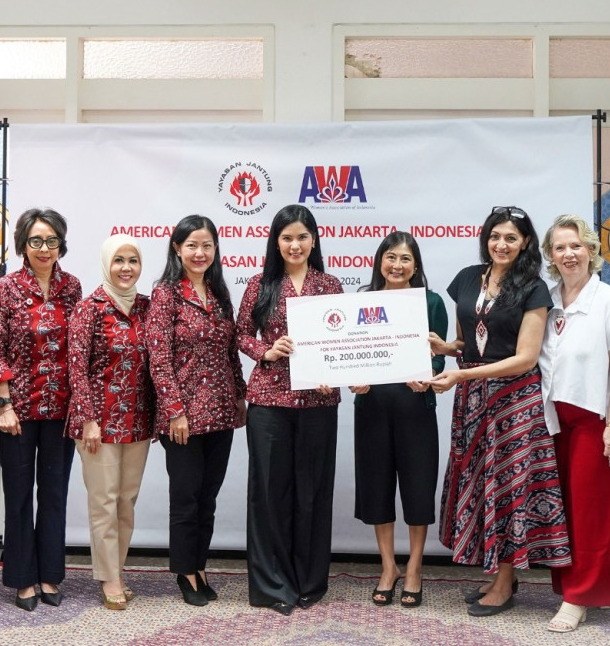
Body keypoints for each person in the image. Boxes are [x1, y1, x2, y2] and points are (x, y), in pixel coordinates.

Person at [429, 205, 570, 617]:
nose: (501, 244)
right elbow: (468, 341)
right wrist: (447, 349)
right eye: (495, 236)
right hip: (472, 400)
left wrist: (463, 376)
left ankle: (506, 581)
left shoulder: (533, 288)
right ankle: (496, 574)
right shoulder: (468, 279)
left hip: (515, 402)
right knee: (480, 480)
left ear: (525, 242)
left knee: (508, 488)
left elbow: (525, 358)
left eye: (511, 237)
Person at [538, 214, 610, 632]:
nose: (569, 254)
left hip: (596, 423)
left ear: (591, 250)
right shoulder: (548, 300)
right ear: (551, 256)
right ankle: (568, 587)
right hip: (556, 423)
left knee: (592, 514)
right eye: (560, 247)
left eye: (576, 246)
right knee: (564, 511)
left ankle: (579, 598)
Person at [236, 204, 342, 616]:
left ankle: (309, 582)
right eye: (286, 238)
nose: (294, 244)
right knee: (269, 494)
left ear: (313, 239)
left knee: (312, 492)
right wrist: (266, 350)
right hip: (269, 402)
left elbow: (342, 341)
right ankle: (270, 584)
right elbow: (241, 333)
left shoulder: (329, 284)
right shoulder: (261, 283)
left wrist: (333, 370)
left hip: (319, 401)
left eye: (301, 236)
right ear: (275, 242)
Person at [146, 215, 247, 607]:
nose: (200, 253)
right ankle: (185, 571)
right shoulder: (166, 294)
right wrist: (174, 410)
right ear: (177, 249)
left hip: (221, 411)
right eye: (192, 245)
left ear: (215, 249)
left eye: (207, 245)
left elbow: (231, 351)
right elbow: (158, 357)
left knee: (208, 497)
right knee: (186, 497)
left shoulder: (221, 294)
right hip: (183, 417)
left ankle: (200, 565)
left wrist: (239, 395)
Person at [0, 208, 82, 611]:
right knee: (20, 494)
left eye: (52, 240)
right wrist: (4, 403)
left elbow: (79, 348)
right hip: (19, 411)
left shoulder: (72, 287)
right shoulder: (6, 288)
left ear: (62, 243)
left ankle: (49, 575)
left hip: (61, 407)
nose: (44, 249)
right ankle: (23, 578)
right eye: (36, 241)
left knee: (55, 494)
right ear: (23, 245)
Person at [350, 232, 447, 608]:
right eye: (391, 258)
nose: (397, 265)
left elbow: (439, 355)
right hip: (372, 407)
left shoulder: (432, 302)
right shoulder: (363, 302)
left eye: (405, 259)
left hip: (414, 407)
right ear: (379, 262)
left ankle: (415, 567)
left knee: (417, 488)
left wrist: (430, 372)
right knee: (377, 488)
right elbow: (352, 352)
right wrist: (353, 379)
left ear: (416, 266)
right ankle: (388, 567)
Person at [68, 233, 152, 610]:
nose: (126, 268)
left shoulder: (149, 308)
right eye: (119, 260)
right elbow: (77, 369)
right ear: (106, 263)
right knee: (104, 500)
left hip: (138, 420)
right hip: (97, 424)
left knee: (126, 501)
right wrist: (87, 419)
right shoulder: (89, 308)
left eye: (132, 261)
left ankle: (115, 569)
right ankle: (111, 579)